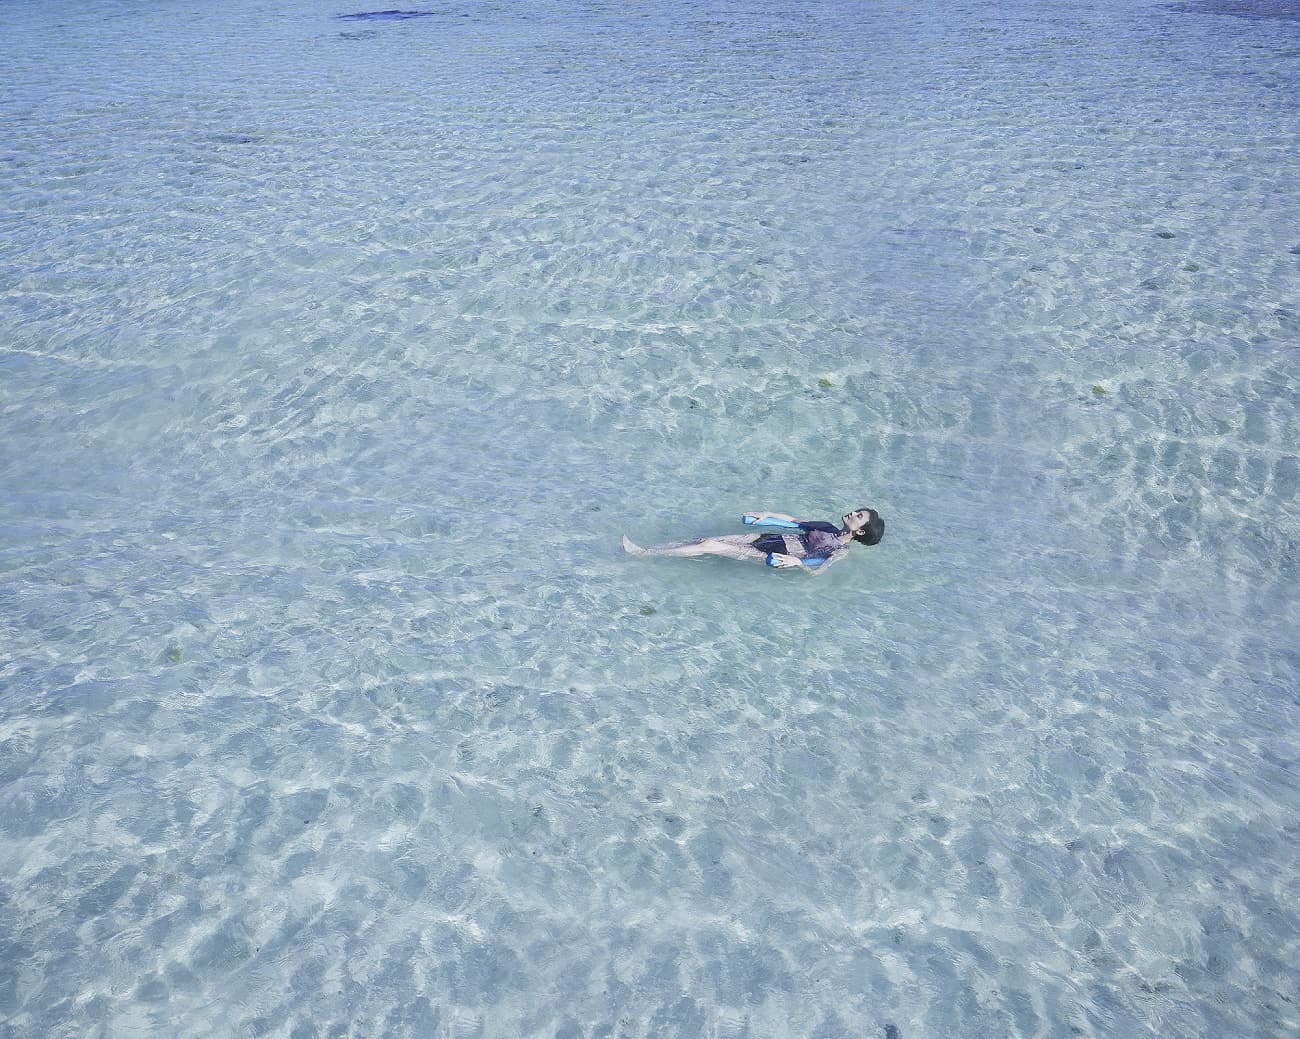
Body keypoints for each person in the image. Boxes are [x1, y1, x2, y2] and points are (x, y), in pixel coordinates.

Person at [622, 508, 884, 575]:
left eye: (858, 516)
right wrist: (767, 515)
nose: (853, 513)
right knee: (704, 540)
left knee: (708, 547)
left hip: (772, 555)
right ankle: (652, 550)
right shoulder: (826, 526)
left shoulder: (841, 551)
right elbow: (793, 522)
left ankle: (644, 554)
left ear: (860, 532)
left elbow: (817, 571)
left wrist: (797, 563)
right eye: (857, 511)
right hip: (768, 538)